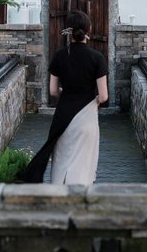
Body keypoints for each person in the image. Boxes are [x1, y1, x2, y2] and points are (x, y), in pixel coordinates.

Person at [20, 10, 108, 184]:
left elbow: (53, 91)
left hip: (63, 116)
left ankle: (58, 194)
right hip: (86, 117)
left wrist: (66, 95)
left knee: (61, 162)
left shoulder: (59, 56)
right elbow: (104, 96)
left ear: (68, 31)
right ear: (88, 30)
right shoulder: (97, 58)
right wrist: (95, 101)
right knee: (82, 164)